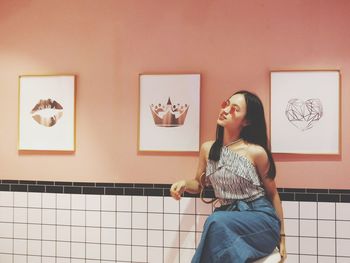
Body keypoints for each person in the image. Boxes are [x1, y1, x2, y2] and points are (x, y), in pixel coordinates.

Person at [170, 90, 286, 263]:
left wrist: (282, 236)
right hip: (228, 220)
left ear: (247, 121)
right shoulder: (208, 149)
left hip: (261, 221)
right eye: (226, 104)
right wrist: (184, 184)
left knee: (215, 221)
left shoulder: (255, 152)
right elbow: (199, 184)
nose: (225, 110)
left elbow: (273, 194)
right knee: (217, 223)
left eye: (235, 109)